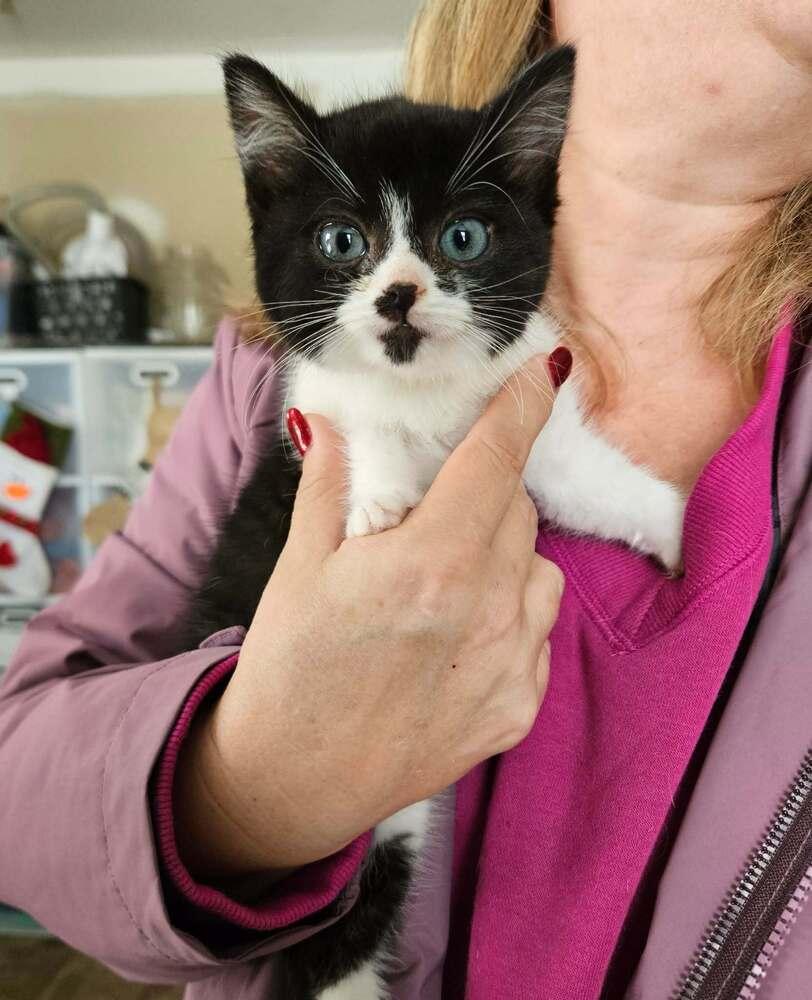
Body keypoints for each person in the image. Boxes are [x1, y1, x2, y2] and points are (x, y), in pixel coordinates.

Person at [1, 1, 811, 997]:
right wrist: (249, 785)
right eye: (348, 244)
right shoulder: (265, 377)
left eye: (461, 233)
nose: (397, 277)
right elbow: (19, 792)